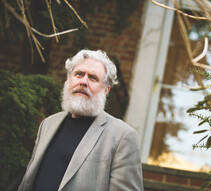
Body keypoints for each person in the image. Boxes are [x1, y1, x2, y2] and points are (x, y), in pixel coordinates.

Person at [18, 49, 144, 191]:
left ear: (106, 90)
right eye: (79, 74)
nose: (83, 82)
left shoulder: (122, 137)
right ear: (68, 80)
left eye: (93, 78)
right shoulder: (47, 124)